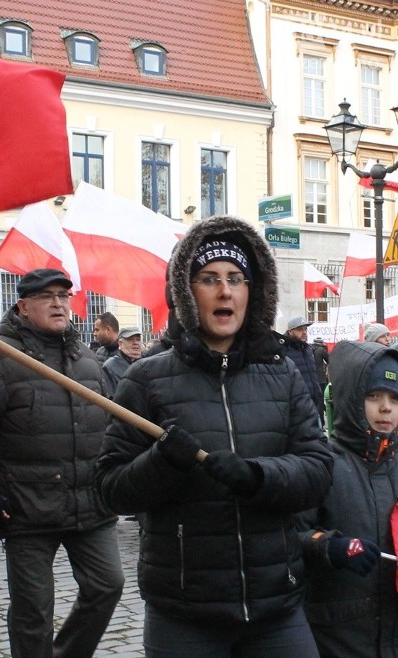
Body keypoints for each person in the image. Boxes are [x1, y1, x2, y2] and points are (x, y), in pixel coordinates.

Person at [95, 216, 332, 658]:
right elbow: (110, 491)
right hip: (184, 612)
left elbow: (318, 469)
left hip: (276, 606)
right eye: (209, 279)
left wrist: (257, 476)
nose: (225, 291)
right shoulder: (146, 378)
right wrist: (162, 463)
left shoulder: (281, 374)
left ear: (251, 292)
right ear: (188, 293)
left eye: (236, 279)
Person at [0, 268, 124, 658]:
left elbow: (110, 424)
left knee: (107, 585)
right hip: (27, 507)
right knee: (33, 612)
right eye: (48, 296)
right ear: (23, 306)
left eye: (64, 296)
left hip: (88, 502)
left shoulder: (86, 360)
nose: (58, 303)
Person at [297, 340, 398, 657]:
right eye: (373, 396)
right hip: (339, 636)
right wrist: (330, 546)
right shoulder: (322, 465)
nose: (386, 408)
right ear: (351, 398)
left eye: (395, 399)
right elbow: (287, 536)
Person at [284, 316, 325, 422]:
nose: (304, 332)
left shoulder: (308, 349)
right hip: (297, 409)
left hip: (314, 405)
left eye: (305, 329)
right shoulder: (284, 351)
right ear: (290, 332)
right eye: (299, 329)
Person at [101, 326, 143, 397]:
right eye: (130, 340)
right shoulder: (110, 366)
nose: (135, 343)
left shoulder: (147, 363)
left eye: (138, 339)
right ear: (120, 343)